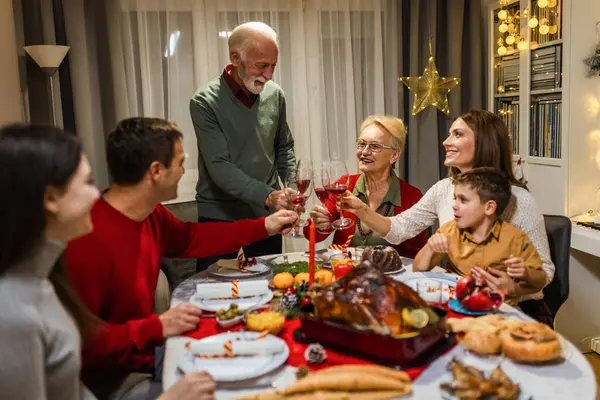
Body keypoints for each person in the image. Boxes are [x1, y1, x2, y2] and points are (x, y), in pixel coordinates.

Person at [65, 118, 297, 399]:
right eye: (180, 161)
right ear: (156, 171)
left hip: (148, 351)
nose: (184, 170)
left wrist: (265, 226)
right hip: (114, 380)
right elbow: (81, 342)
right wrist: (158, 325)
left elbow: (190, 238)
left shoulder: (150, 213)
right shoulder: (89, 239)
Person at [0, 124, 216, 400]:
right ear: (51, 198)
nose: (96, 195)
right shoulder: (14, 312)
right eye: (87, 182)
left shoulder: (41, 277)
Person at [338, 109, 555, 324]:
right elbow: (399, 229)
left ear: (484, 142)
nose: (446, 142)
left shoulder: (520, 200)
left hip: (514, 307)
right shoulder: (443, 189)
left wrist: (513, 285)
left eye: (458, 134)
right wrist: (361, 209)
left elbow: (544, 270)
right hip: (460, 299)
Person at [190, 21, 297, 272]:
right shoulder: (204, 101)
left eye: (273, 66)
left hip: (265, 216)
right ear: (235, 58)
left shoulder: (275, 94)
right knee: (212, 292)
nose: (269, 75)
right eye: (261, 66)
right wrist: (268, 195)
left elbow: (285, 147)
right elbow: (219, 167)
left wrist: (291, 189)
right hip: (219, 217)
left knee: (270, 289)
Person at [413, 168, 547, 305]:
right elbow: (418, 269)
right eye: (455, 198)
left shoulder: (515, 239)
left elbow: (541, 279)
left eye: (463, 200)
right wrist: (430, 247)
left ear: (489, 208)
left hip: (498, 310)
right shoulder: (450, 230)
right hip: (456, 304)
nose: (454, 206)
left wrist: (524, 275)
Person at [306, 115, 426, 257]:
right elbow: (312, 233)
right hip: (345, 271)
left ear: (394, 155)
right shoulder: (345, 185)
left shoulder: (412, 197)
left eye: (375, 146)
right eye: (362, 144)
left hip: (389, 275)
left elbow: (416, 254)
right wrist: (320, 225)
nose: (364, 152)